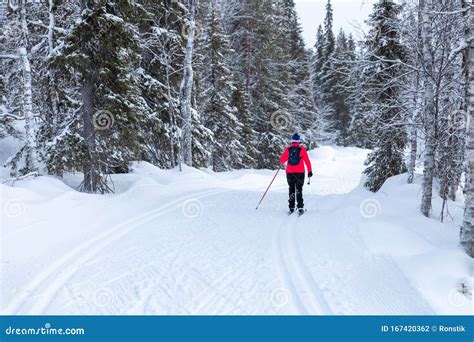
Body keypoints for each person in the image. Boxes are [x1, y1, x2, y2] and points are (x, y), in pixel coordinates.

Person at [279, 133, 313, 214]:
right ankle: (300, 207)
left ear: (292, 140)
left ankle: (291, 207)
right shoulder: (302, 149)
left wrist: (284, 161)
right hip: (300, 173)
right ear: (299, 141)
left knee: (291, 189)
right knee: (299, 190)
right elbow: (307, 161)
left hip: (290, 172)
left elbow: (281, 161)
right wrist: (310, 171)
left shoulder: (288, 149)